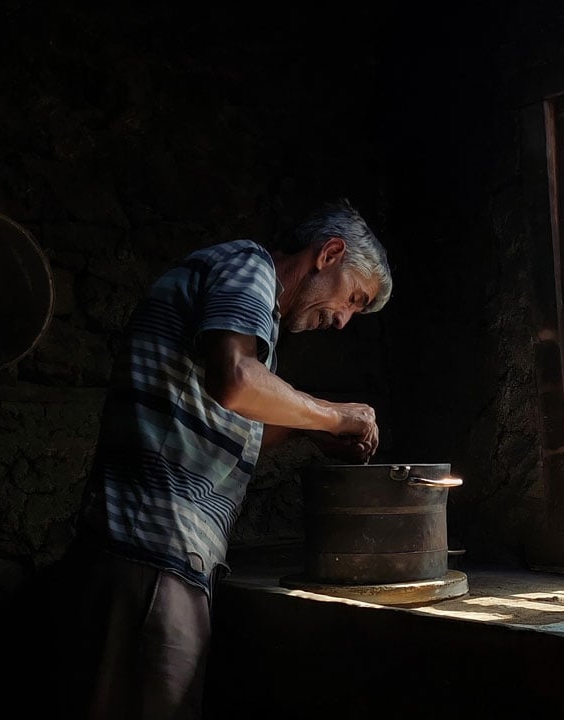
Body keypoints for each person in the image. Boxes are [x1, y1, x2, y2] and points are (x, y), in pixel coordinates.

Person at [47, 199, 393, 719]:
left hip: (146, 551)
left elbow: (236, 417)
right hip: (153, 549)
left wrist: (313, 428)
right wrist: (335, 415)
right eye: (353, 298)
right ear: (329, 253)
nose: (343, 320)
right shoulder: (249, 266)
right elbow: (236, 382)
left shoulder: (249, 307)